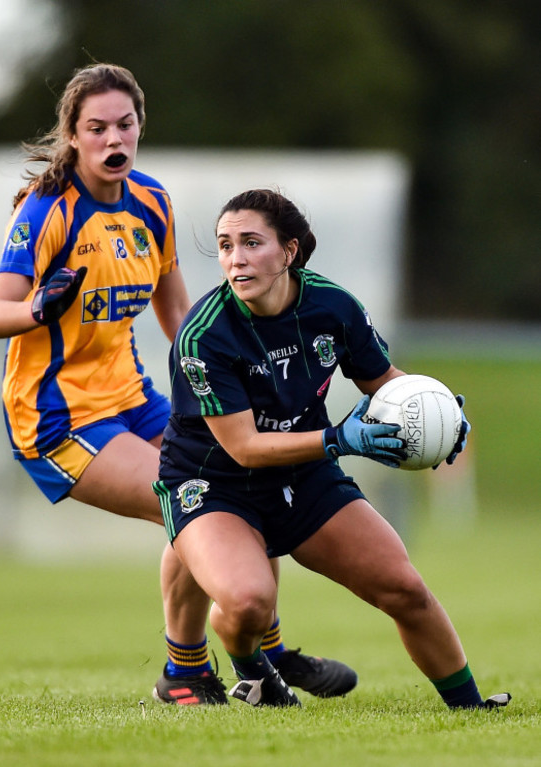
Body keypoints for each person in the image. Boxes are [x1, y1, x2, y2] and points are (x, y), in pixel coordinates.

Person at [0, 63, 358, 706]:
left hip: (135, 398)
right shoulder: (46, 211)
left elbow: (183, 322)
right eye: (96, 127)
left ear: (140, 127)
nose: (112, 137)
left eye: (124, 123)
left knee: (245, 487)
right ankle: (237, 659)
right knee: (189, 499)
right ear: (72, 134)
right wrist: (39, 309)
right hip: (58, 417)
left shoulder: (151, 202)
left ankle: (225, 658)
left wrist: (234, 387)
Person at [153, 188, 512, 709]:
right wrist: (338, 439)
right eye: (226, 245)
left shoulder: (332, 306)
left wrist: (437, 414)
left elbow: (385, 382)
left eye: (252, 243)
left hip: (303, 473)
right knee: (250, 602)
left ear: (290, 251)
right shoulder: (204, 334)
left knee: (403, 588)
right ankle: (253, 669)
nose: (235, 258)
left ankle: (470, 707)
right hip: (212, 482)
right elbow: (246, 448)